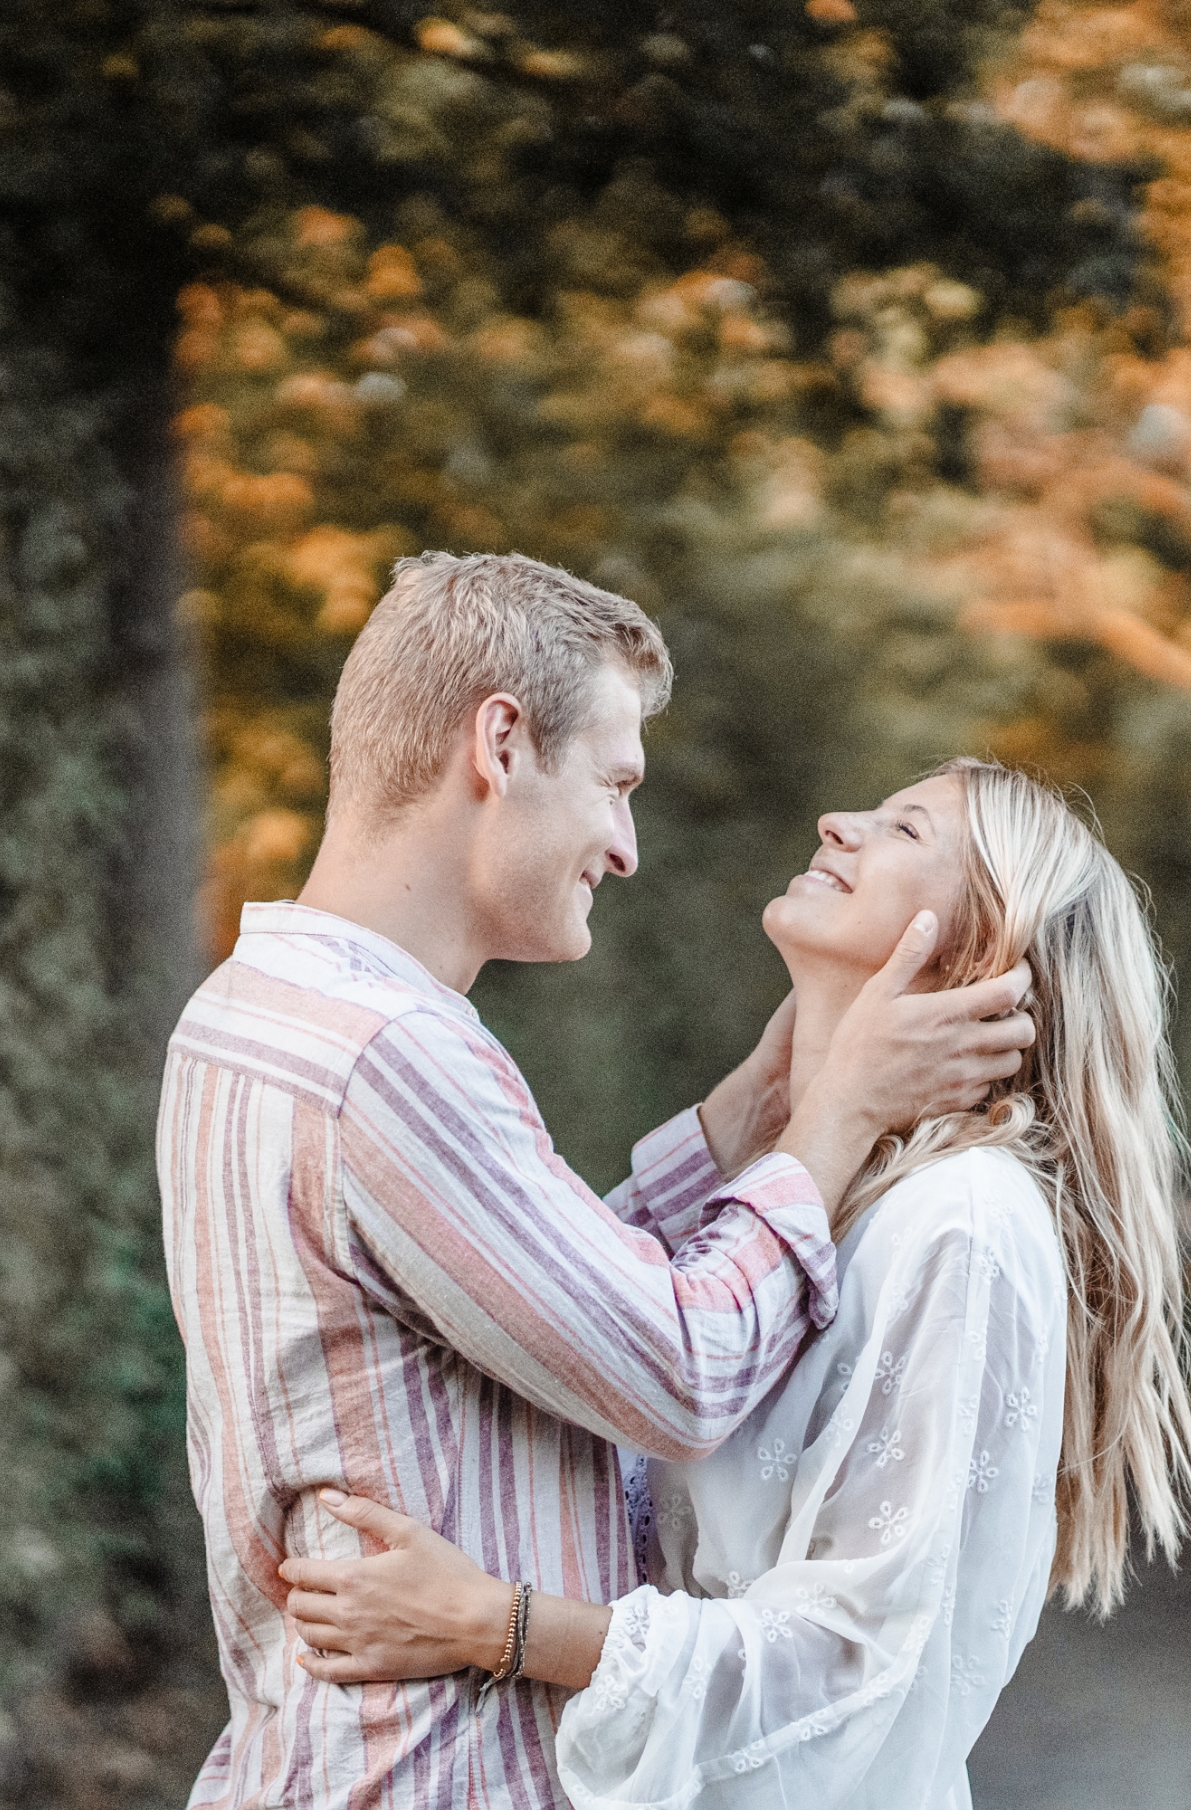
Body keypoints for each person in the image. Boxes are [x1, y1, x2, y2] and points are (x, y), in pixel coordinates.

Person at [158, 553, 1035, 1810]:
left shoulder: (258, 1011)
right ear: (500, 744)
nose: (623, 849)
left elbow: (533, 1303)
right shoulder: (388, 1057)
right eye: (615, 786)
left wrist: (762, 1101)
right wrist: (838, 1116)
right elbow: (672, 1371)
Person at [279, 757, 1191, 1810]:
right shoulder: (795, 1188)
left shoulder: (960, 1221)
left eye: (904, 830)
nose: (836, 817)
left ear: (979, 944)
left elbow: (858, 1660)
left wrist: (495, 1623)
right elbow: (594, 1330)